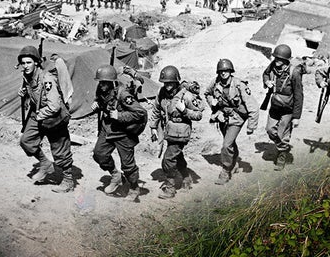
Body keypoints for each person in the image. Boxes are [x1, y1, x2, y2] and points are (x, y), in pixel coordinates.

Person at [17, 45, 74, 193]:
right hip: (40, 114)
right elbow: (36, 95)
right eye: (23, 63)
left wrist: (39, 115)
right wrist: (25, 94)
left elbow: (54, 106)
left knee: (60, 150)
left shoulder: (47, 79)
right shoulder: (28, 77)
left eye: (28, 62)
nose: (25, 66)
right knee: (26, 141)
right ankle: (45, 164)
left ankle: (68, 181)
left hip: (55, 117)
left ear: (36, 62)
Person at [91, 65, 147, 202]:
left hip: (123, 132)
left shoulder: (123, 94)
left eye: (105, 82)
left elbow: (140, 113)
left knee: (127, 165)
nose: (102, 85)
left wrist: (120, 115)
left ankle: (134, 188)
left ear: (112, 82)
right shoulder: (101, 90)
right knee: (99, 154)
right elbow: (101, 101)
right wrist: (97, 105)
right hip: (108, 128)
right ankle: (116, 176)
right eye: (100, 82)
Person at [148, 65, 204, 199]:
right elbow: (156, 110)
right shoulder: (161, 93)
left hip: (181, 132)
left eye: (170, 83)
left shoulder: (186, 96)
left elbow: (199, 115)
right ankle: (186, 178)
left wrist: (185, 111)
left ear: (176, 81)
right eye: (165, 83)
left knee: (168, 159)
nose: (167, 86)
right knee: (177, 156)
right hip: (169, 130)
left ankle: (170, 188)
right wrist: (153, 127)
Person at [204, 59, 259, 184]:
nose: (223, 73)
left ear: (230, 71)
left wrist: (251, 125)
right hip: (223, 116)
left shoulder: (239, 84)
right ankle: (234, 164)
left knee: (226, 145)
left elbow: (253, 106)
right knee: (230, 142)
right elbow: (207, 93)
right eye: (221, 71)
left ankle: (226, 170)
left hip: (237, 117)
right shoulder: (215, 82)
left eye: (226, 71)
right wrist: (213, 105)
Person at [262, 44, 303, 170]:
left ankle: (282, 155)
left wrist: (296, 117)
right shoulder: (273, 67)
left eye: (279, 59)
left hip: (288, 109)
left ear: (286, 60)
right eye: (275, 58)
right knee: (270, 130)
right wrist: (267, 82)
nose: (276, 60)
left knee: (282, 134)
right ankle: (283, 147)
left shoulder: (294, 73)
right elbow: (265, 74)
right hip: (274, 106)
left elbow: (299, 95)